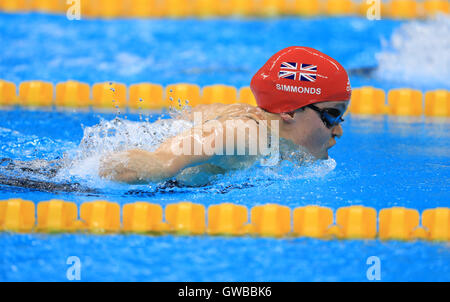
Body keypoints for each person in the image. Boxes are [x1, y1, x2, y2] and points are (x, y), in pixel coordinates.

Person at [99, 46, 351, 185]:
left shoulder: (260, 123)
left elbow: (191, 116)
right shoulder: (247, 136)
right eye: (331, 115)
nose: (338, 129)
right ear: (288, 111)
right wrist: (158, 167)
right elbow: (160, 162)